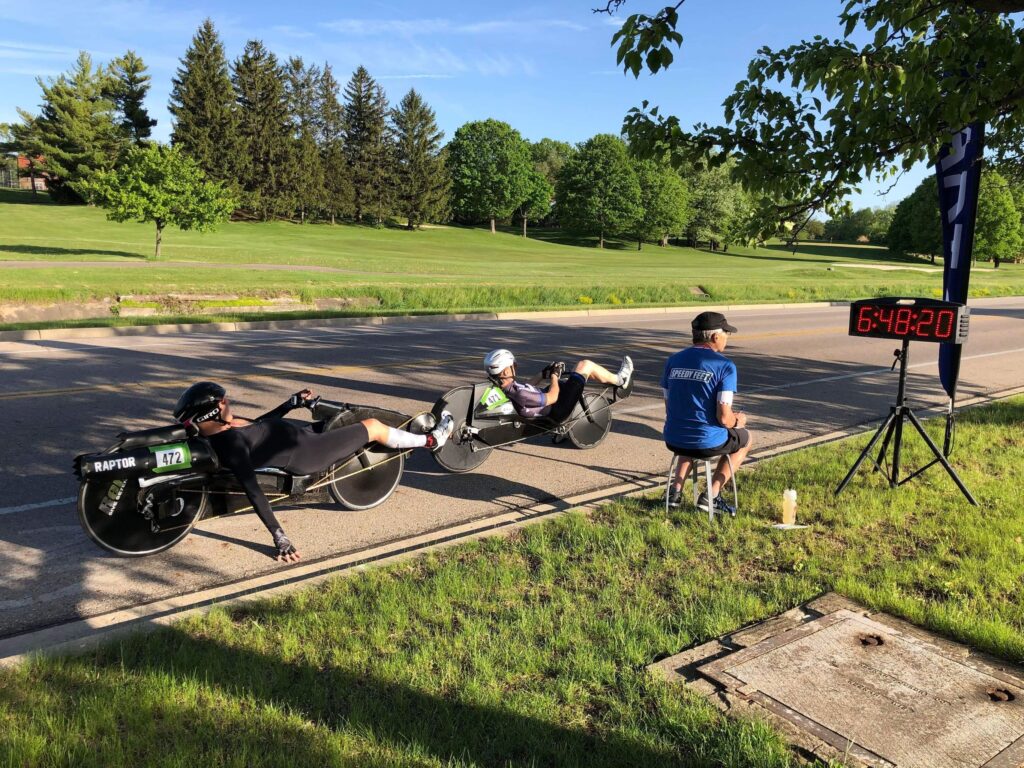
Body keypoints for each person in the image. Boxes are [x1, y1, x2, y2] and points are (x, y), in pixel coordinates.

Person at [173, 382, 453, 562]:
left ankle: (412, 434)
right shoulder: (230, 444)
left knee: (342, 414)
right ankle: (432, 441)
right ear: (211, 414)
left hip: (301, 435)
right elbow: (253, 491)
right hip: (310, 452)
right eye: (224, 402)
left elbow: (260, 428)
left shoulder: (225, 427)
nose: (229, 403)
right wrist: (279, 537)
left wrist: (290, 404)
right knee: (372, 426)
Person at [662, 311, 753, 513]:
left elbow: (670, 406)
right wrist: (738, 420)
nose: (727, 338)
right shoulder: (725, 366)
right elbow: (723, 417)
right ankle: (711, 495)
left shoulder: (673, 361)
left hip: (673, 438)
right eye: (726, 334)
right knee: (745, 439)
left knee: (690, 429)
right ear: (715, 337)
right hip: (705, 442)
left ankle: (674, 492)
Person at [483, 348, 633, 423]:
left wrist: (543, 374)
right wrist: (554, 376)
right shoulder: (520, 395)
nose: (516, 365)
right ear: (504, 371)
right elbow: (553, 397)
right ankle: (621, 379)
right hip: (559, 409)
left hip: (551, 405)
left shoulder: (505, 387)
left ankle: (609, 379)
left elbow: (526, 387)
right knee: (585, 365)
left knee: (577, 372)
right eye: (513, 364)